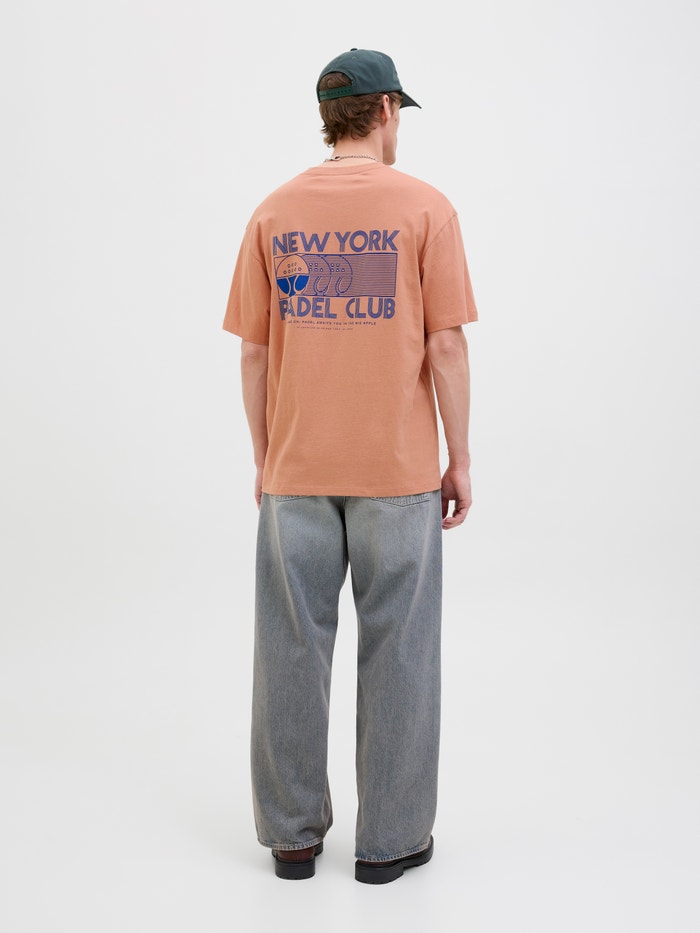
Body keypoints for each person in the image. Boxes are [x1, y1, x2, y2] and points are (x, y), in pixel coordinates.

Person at [222, 48, 478, 884]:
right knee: (399, 649)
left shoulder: (272, 212)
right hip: (397, 474)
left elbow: (255, 353)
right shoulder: (426, 208)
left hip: (295, 471)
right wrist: (459, 456)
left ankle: (292, 839)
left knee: (289, 649)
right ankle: (391, 843)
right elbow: (445, 344)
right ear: (387, 111)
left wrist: (266, 456)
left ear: (330, 118)